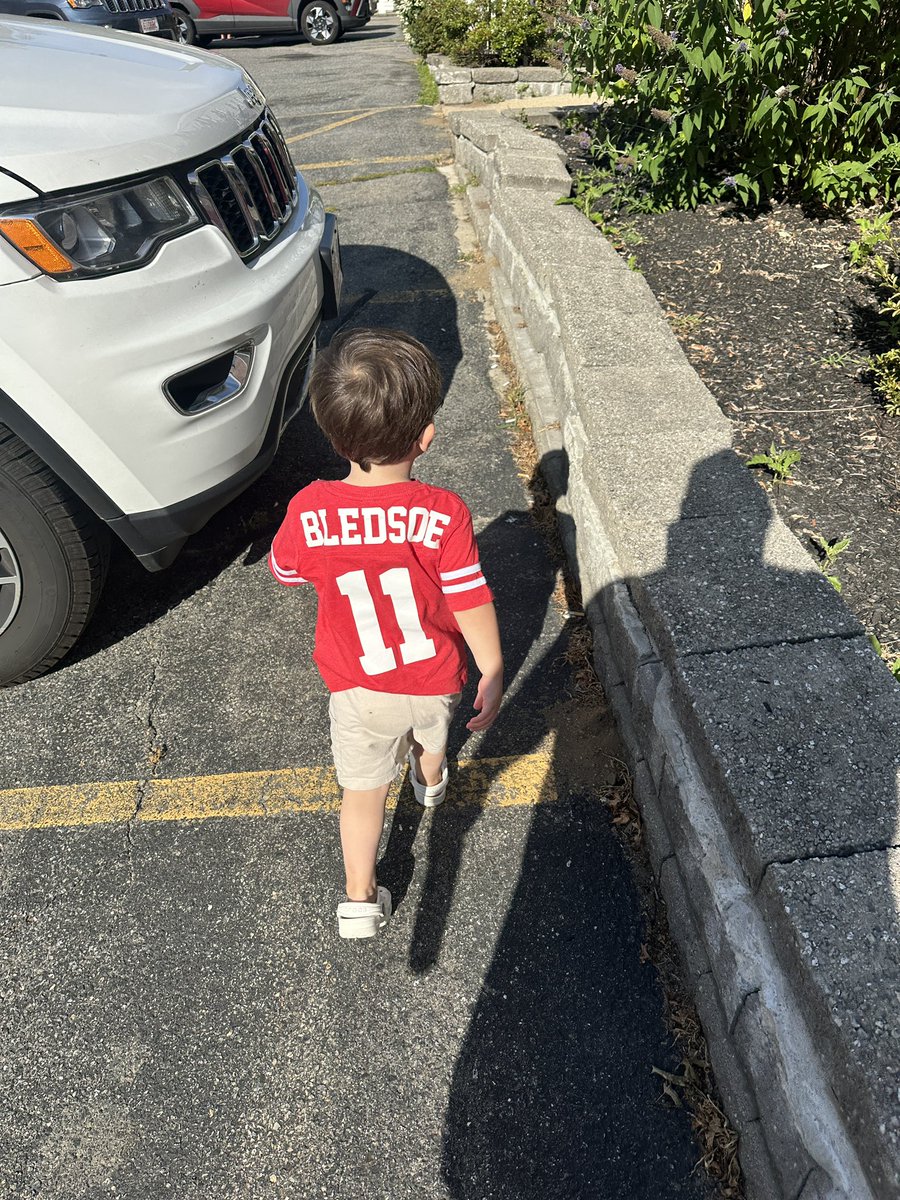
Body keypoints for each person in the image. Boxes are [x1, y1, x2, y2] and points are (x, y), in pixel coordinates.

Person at [269, 328, 504, 939]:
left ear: (332, 435)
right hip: (432, 677)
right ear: (426, 436)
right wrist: (493, 668)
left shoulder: (309, 508)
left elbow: (286, 571)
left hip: (358, 685)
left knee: (362, 792)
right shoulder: (443, 512)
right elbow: (470, 597)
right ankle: (430, 784)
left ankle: (358, 898)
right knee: (432, 740)